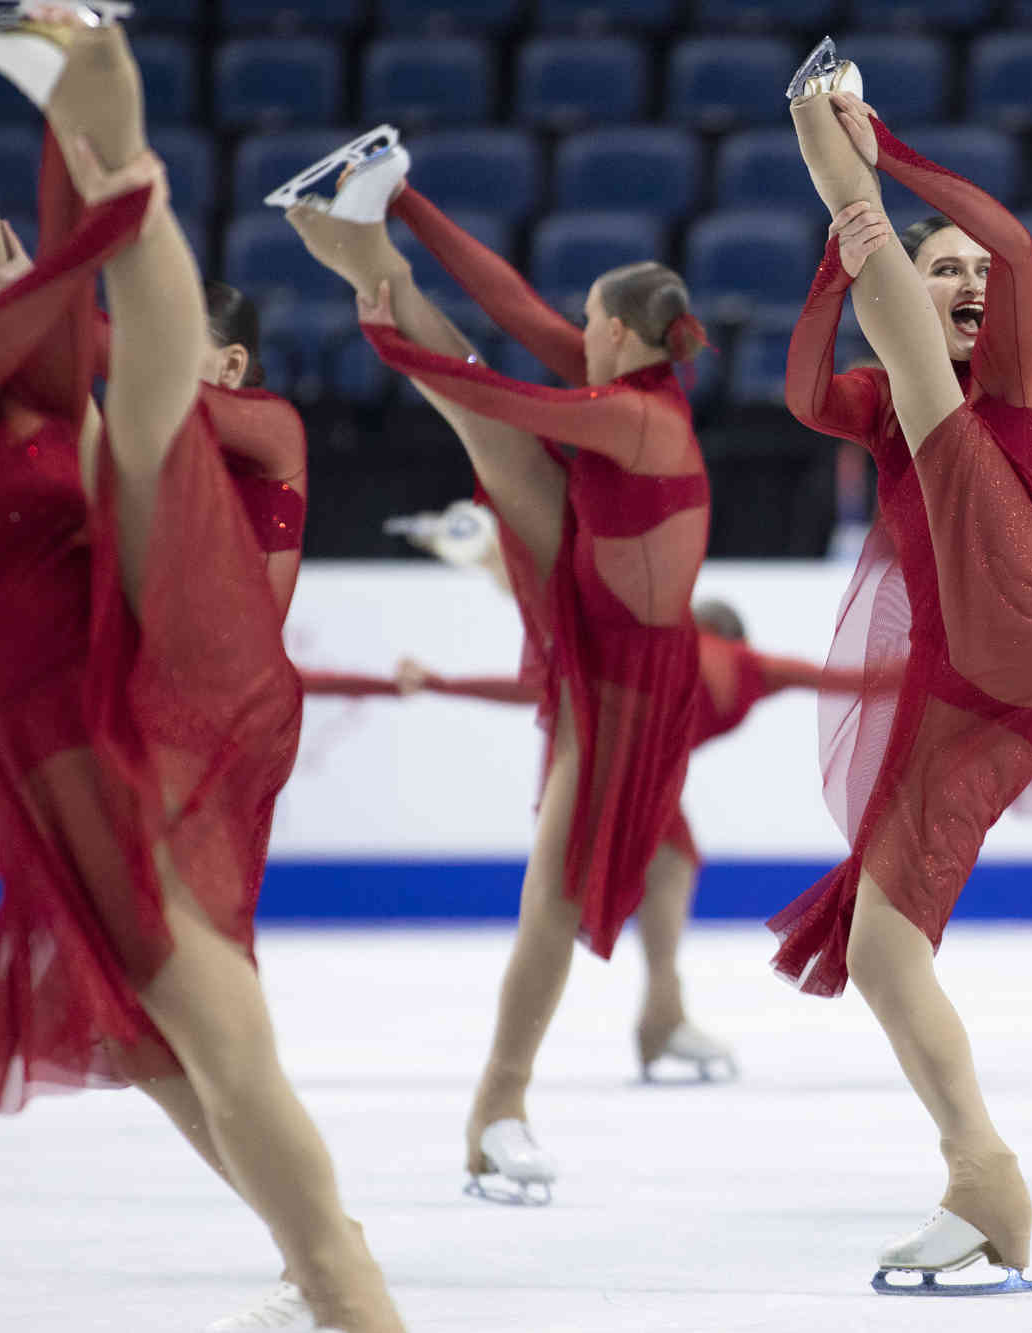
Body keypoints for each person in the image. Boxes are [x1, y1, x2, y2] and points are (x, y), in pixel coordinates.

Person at [0, 8, 399, 1329]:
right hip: (69, 732)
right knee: (157, 1044)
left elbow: (24, 289)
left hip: (172, 666)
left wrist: (89, 190)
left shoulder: (115, 403)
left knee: (221, 1037)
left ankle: (354, 1296)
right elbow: (9, 281)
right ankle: (323, 1256)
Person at [277, 126, 711, 1204]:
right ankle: (497, 1111)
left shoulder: (625, 412)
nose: (571, 331)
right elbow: (516, 308)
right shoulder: (640, 379)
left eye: (585, 323)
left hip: (631, 678)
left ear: (612, 331)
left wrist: (389, 343)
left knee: (478, 408)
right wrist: (415, 205)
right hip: (603, 638)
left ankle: (357, 251)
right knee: (555, 894)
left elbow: (503, 394)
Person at [773, 41, 1032, 1291]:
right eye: (934, 269)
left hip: (1021, 598)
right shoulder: (890, 394)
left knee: (934, 403)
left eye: (960, 276)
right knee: (880, 948)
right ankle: (981, 1181)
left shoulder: (1004, 378)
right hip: (973, 674)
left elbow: (1009, 246)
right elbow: (807, 393)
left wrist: (886, 157)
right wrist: (834, 267)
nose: (963, 282)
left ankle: (826, 145)